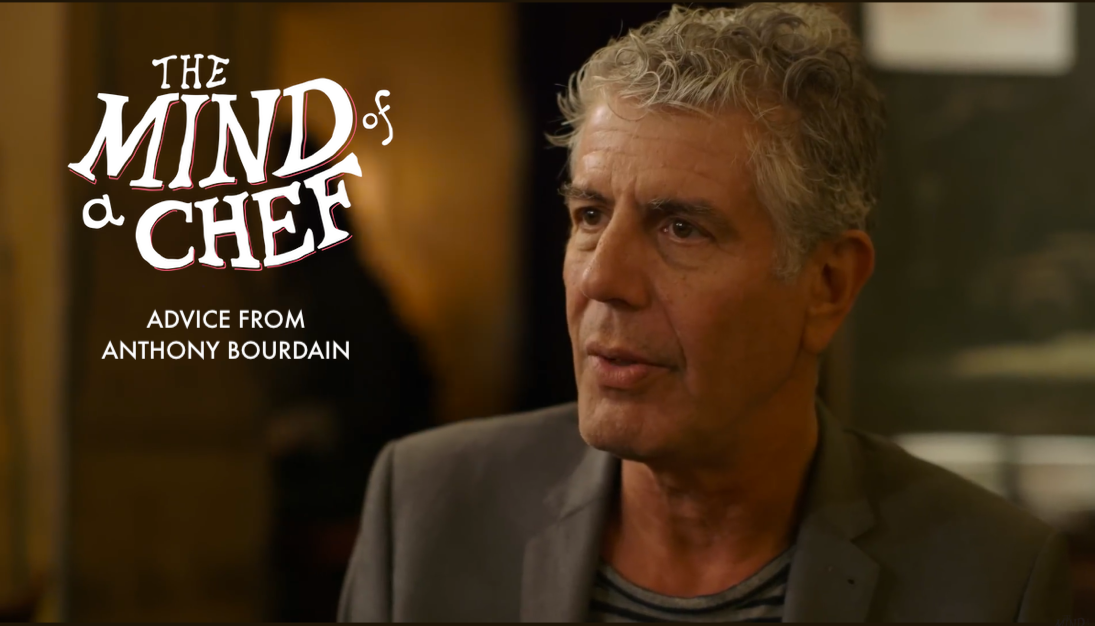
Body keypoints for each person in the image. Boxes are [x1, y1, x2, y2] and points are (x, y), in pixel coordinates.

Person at [337, 4, 1074, 622]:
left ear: (827, 285)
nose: (601, 278)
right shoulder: (427, 509)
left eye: (681, 229)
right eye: (590, 215)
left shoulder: (990, 579)